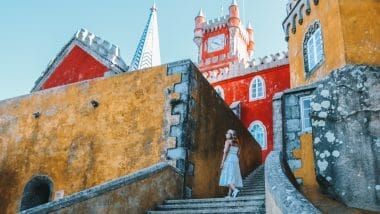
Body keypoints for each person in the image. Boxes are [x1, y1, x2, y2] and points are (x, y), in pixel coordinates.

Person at [219, 129, 243, 198]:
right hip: (235, 159)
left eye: (227, 133)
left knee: (227, 176)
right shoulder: (237, 143)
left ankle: (235, 190)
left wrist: (222, 162)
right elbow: (238, 153)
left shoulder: (227, 142)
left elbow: (225, 152)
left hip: (229, 159)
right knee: (232, 177)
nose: (226, 134)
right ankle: (229, 195)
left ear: (230, 135)